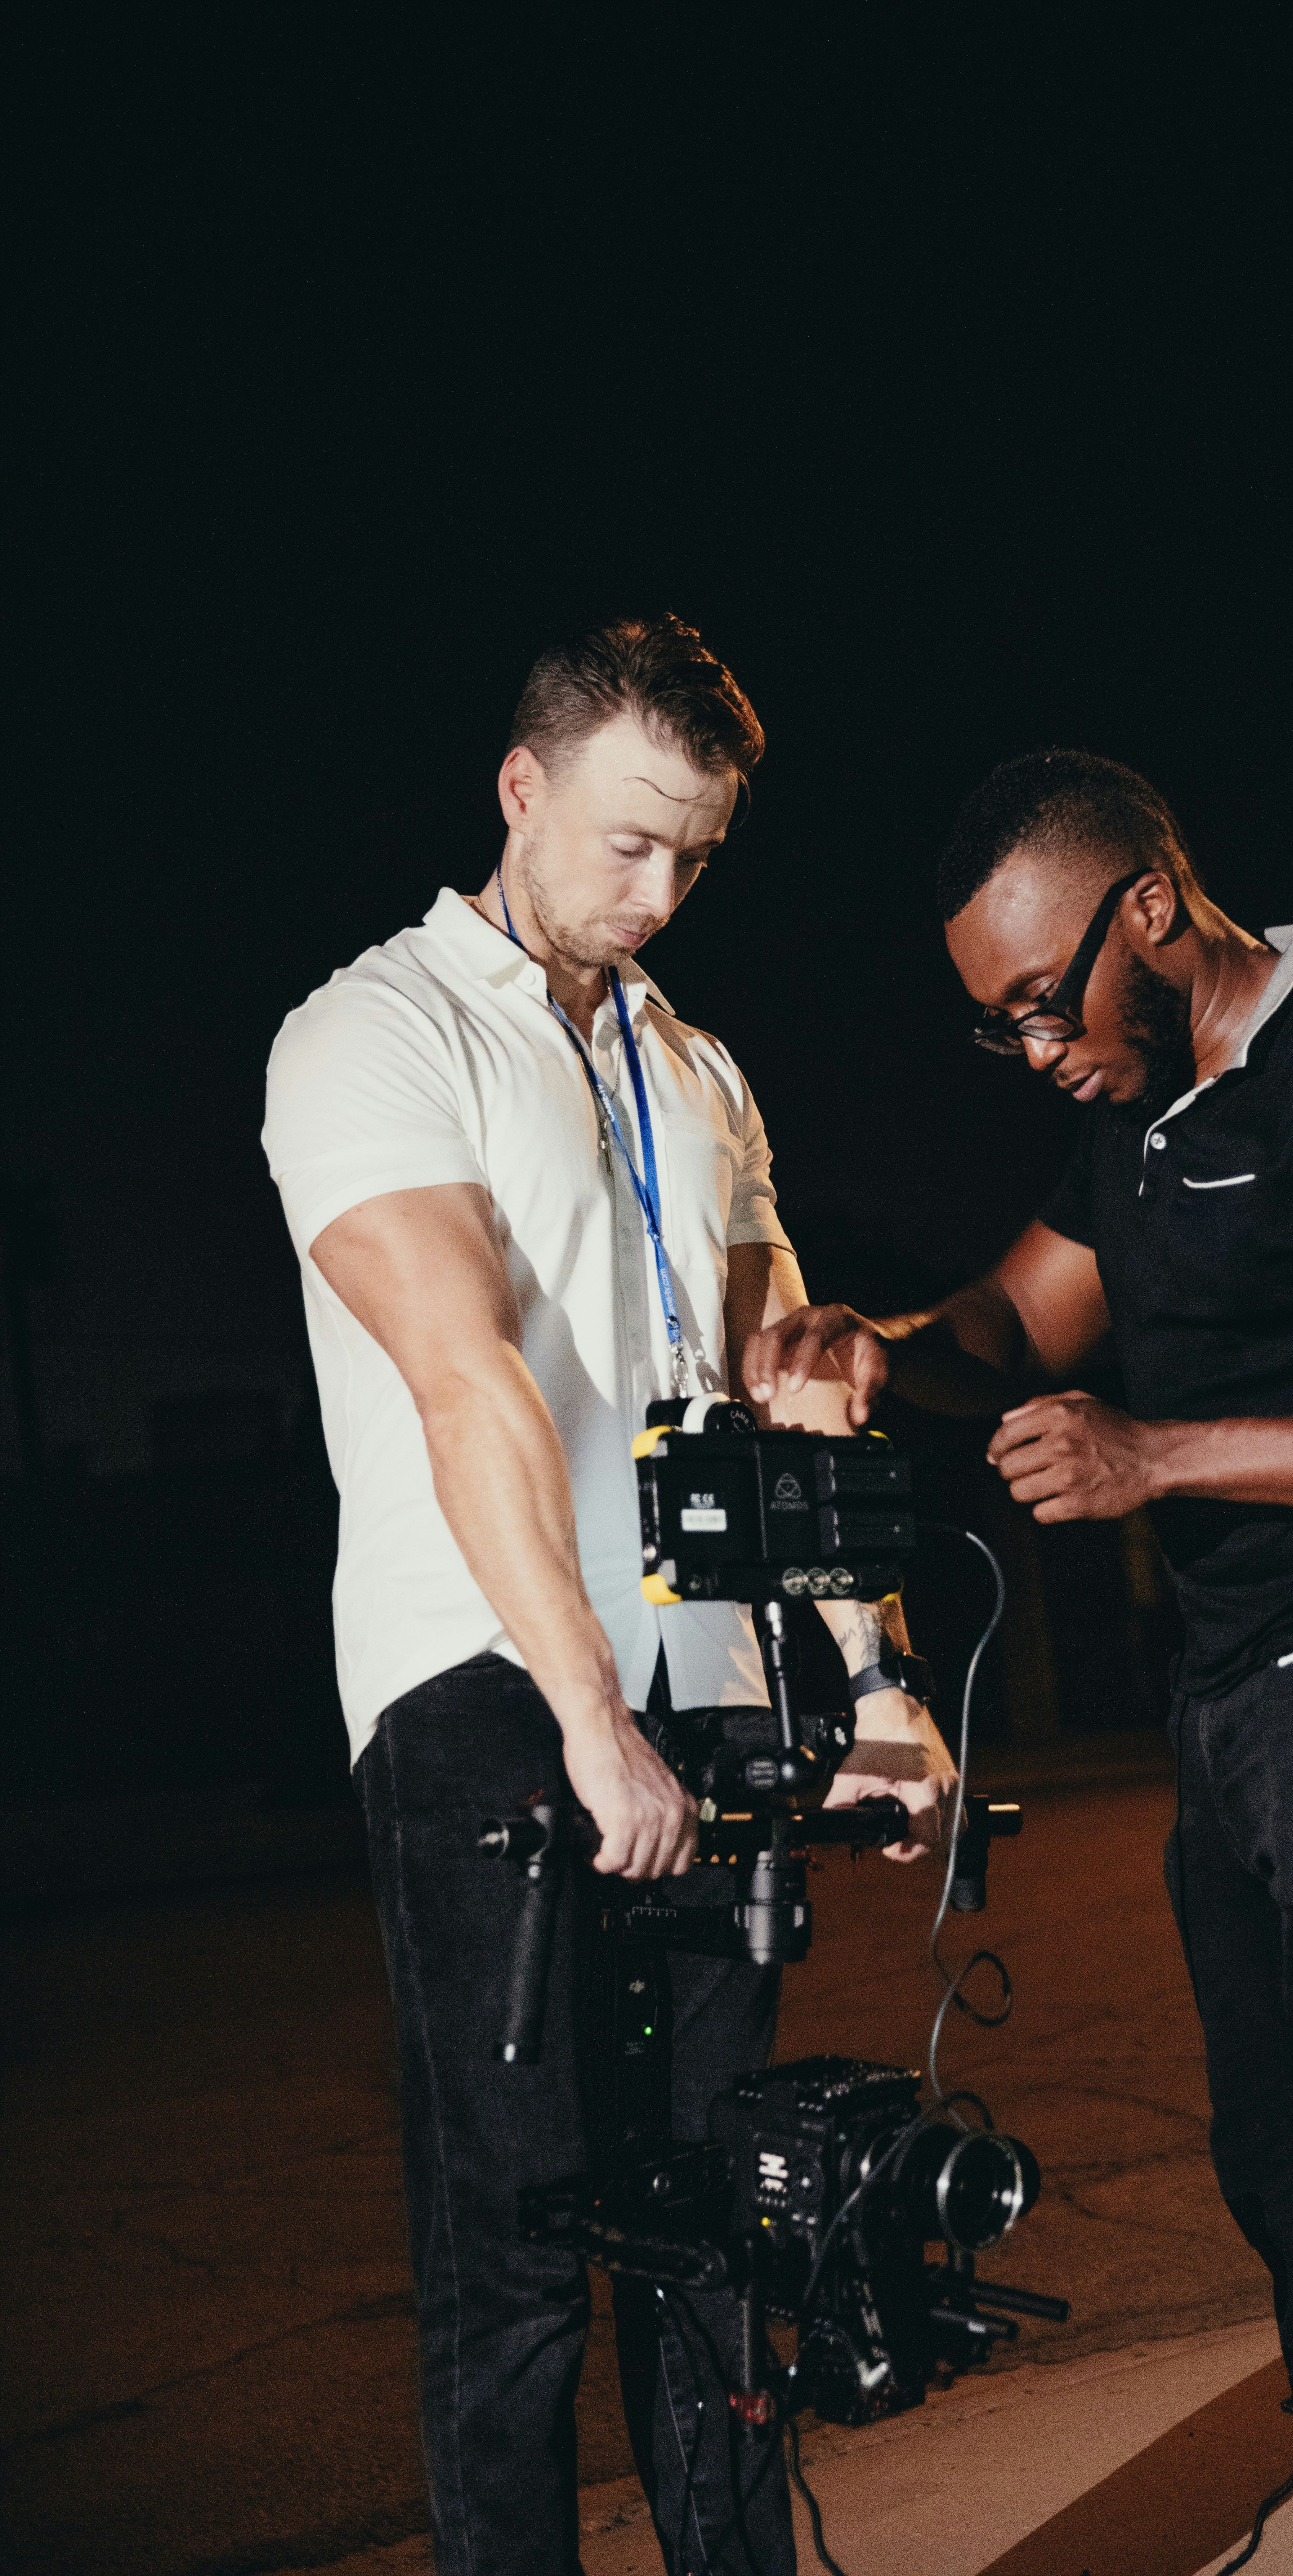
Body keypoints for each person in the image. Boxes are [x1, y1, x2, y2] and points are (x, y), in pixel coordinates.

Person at [743, 748, 1293, 2574]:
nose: (1034, 1049)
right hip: (1245, 1701)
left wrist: (1157, 1456)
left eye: (1042, 1005)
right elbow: (1007, 1319)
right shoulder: (1141, 1121)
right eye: (996, 1031)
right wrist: (881, 1344)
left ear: (1151, 906)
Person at [262, 614, 956, 2576]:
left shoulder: (694, 1064)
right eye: (631, 841)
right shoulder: (374, 1031)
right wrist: (585, 1718)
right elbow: (467, 1381)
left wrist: (873, 1687)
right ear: (522, 790)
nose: (661, 893)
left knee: (734, 2225)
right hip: (490, 1682)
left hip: (710, 1678)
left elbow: (787, 1389)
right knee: (519, 2251)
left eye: (701, 857)